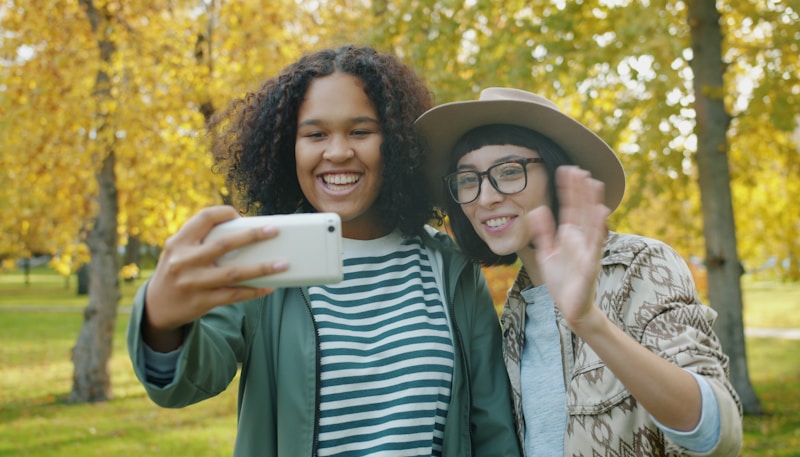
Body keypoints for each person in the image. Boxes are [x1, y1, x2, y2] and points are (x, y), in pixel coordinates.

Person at [127, 46, 520, 457]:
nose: (337, 152)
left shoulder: (451, 268)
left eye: (360, 131)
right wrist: (162, 320)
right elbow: (188, 383)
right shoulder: (262, 257)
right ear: (286, 148)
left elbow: (492, 429)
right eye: (315, 134)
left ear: (397, 144)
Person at [415, 87, 743, 456]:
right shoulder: (513, 316)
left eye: (508, 171)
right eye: (468, 180)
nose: (486, 197)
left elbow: (719, 434)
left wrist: (589, 321)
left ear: (558, 176)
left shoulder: (640, 266)